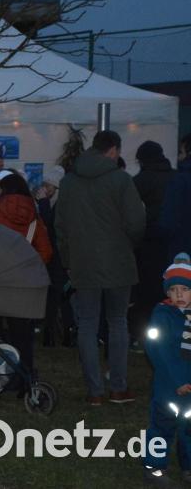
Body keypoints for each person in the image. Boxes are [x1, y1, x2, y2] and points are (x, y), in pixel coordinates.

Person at [55, 130, 145, 405]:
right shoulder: (121, 180)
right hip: (118, 261)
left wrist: (68, 261)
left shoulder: (69, 182)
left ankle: (95, 392)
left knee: (87, 325)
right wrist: (129, 244)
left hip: (82, 262)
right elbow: (136, 222)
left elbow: (60, 226)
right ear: (114, 150)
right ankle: (118, 387)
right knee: (117, 322)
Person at [0, 169, 52, 381]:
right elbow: (45, 252)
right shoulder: (34, 218)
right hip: (24, 286)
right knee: (22, 334)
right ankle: (24, 376)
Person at [142, 253, 191, 485]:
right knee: (161, 427)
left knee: (189, 429)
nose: (179, 295)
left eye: (185, 288)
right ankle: (154, 467)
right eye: (174, 290)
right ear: (167, 292)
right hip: (168, 388)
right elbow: (158, 351)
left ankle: (188, 466)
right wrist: (177, 381)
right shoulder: (162, 316)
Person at [132, 141, 176, 350]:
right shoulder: (175, 176)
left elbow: (130, 212)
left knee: (147, 294)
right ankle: (172, 335)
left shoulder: (141, 180)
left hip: (148, 243)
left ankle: (145, 336)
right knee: (173, 292)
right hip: (174, 245)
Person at [36, 166, 74, 347]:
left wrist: (42, 203)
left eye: (48, 186)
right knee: (57, 296)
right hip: (56, 256)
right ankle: (56, 333)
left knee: (58, 296)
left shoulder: (59, 205)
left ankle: (60, 333)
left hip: (60, 257)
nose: (45, 189)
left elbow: (52, 226)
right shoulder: (58, 203)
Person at [160, 134, 191, 265]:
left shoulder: (180, 180)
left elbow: (168, 221)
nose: (178, 156)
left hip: (182, 250)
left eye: (181, 152)